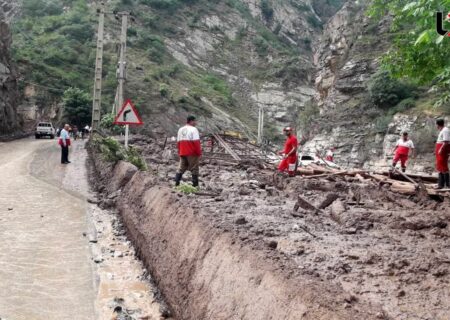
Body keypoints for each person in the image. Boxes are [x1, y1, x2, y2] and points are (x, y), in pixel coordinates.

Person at [175, 116, 202, 187]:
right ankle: (195, 186)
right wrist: (199, 153)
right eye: (195, 121)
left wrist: (179, 151)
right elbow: (196, 142)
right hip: (191, 152)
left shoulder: (180, 129)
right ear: (191, 121)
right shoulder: (194, 129)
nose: (196, 123)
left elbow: (178, 142)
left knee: (181, 168)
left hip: (182, 151)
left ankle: (176, 184)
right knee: (194, 169)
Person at [435, 119, 450, 189]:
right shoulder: (442, 130)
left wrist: (441, 149)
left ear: (438, 124)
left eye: (436, 124)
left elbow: (446, 142)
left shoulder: (445, 130)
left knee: (443, 166)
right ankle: (440, 184)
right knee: (440, 166)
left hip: (443, 150)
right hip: (440, 149)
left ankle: (447, 184)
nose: (436, 126)